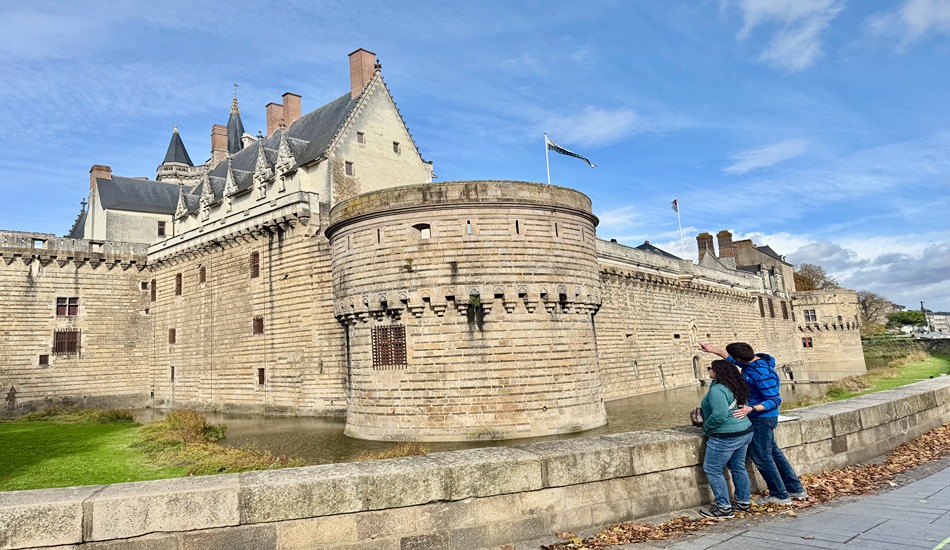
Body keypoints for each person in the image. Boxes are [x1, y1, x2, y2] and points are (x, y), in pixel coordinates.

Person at [699, 342, 808, 505]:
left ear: (740, 359)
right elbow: (735, 361)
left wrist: (751, 409)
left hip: (762, 418)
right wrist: (714, 351)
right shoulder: (753, 362)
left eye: (735, 360)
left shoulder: (761, 372)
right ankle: (795, 488)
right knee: (774, 452)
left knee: (762, 456)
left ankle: (780, 495)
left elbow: (775, 399)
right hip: (760, 417)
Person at [697, 359, 753, 518]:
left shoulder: (718, 390)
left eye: (711, 368)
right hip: (744, 430)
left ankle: (724, 508)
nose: (709, 370)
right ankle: (743, 502)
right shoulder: (734, 384)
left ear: (718, 372)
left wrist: (706, 429)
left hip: (726, 435)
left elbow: (720, 415)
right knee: (738, 467)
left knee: (712, 469)